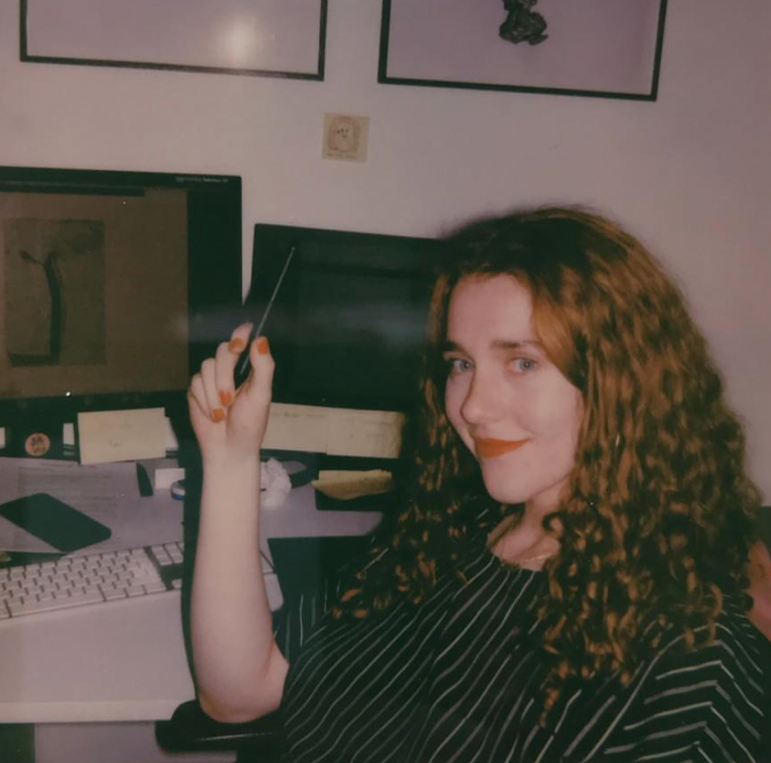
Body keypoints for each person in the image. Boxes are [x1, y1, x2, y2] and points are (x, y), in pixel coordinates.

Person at [188, 207, 771, 763]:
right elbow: (241, 691)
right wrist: (233, 461)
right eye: (461, 363)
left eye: (522, 362)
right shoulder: (456, 530)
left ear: (622, 380)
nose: (472, 407)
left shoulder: (690, 652)